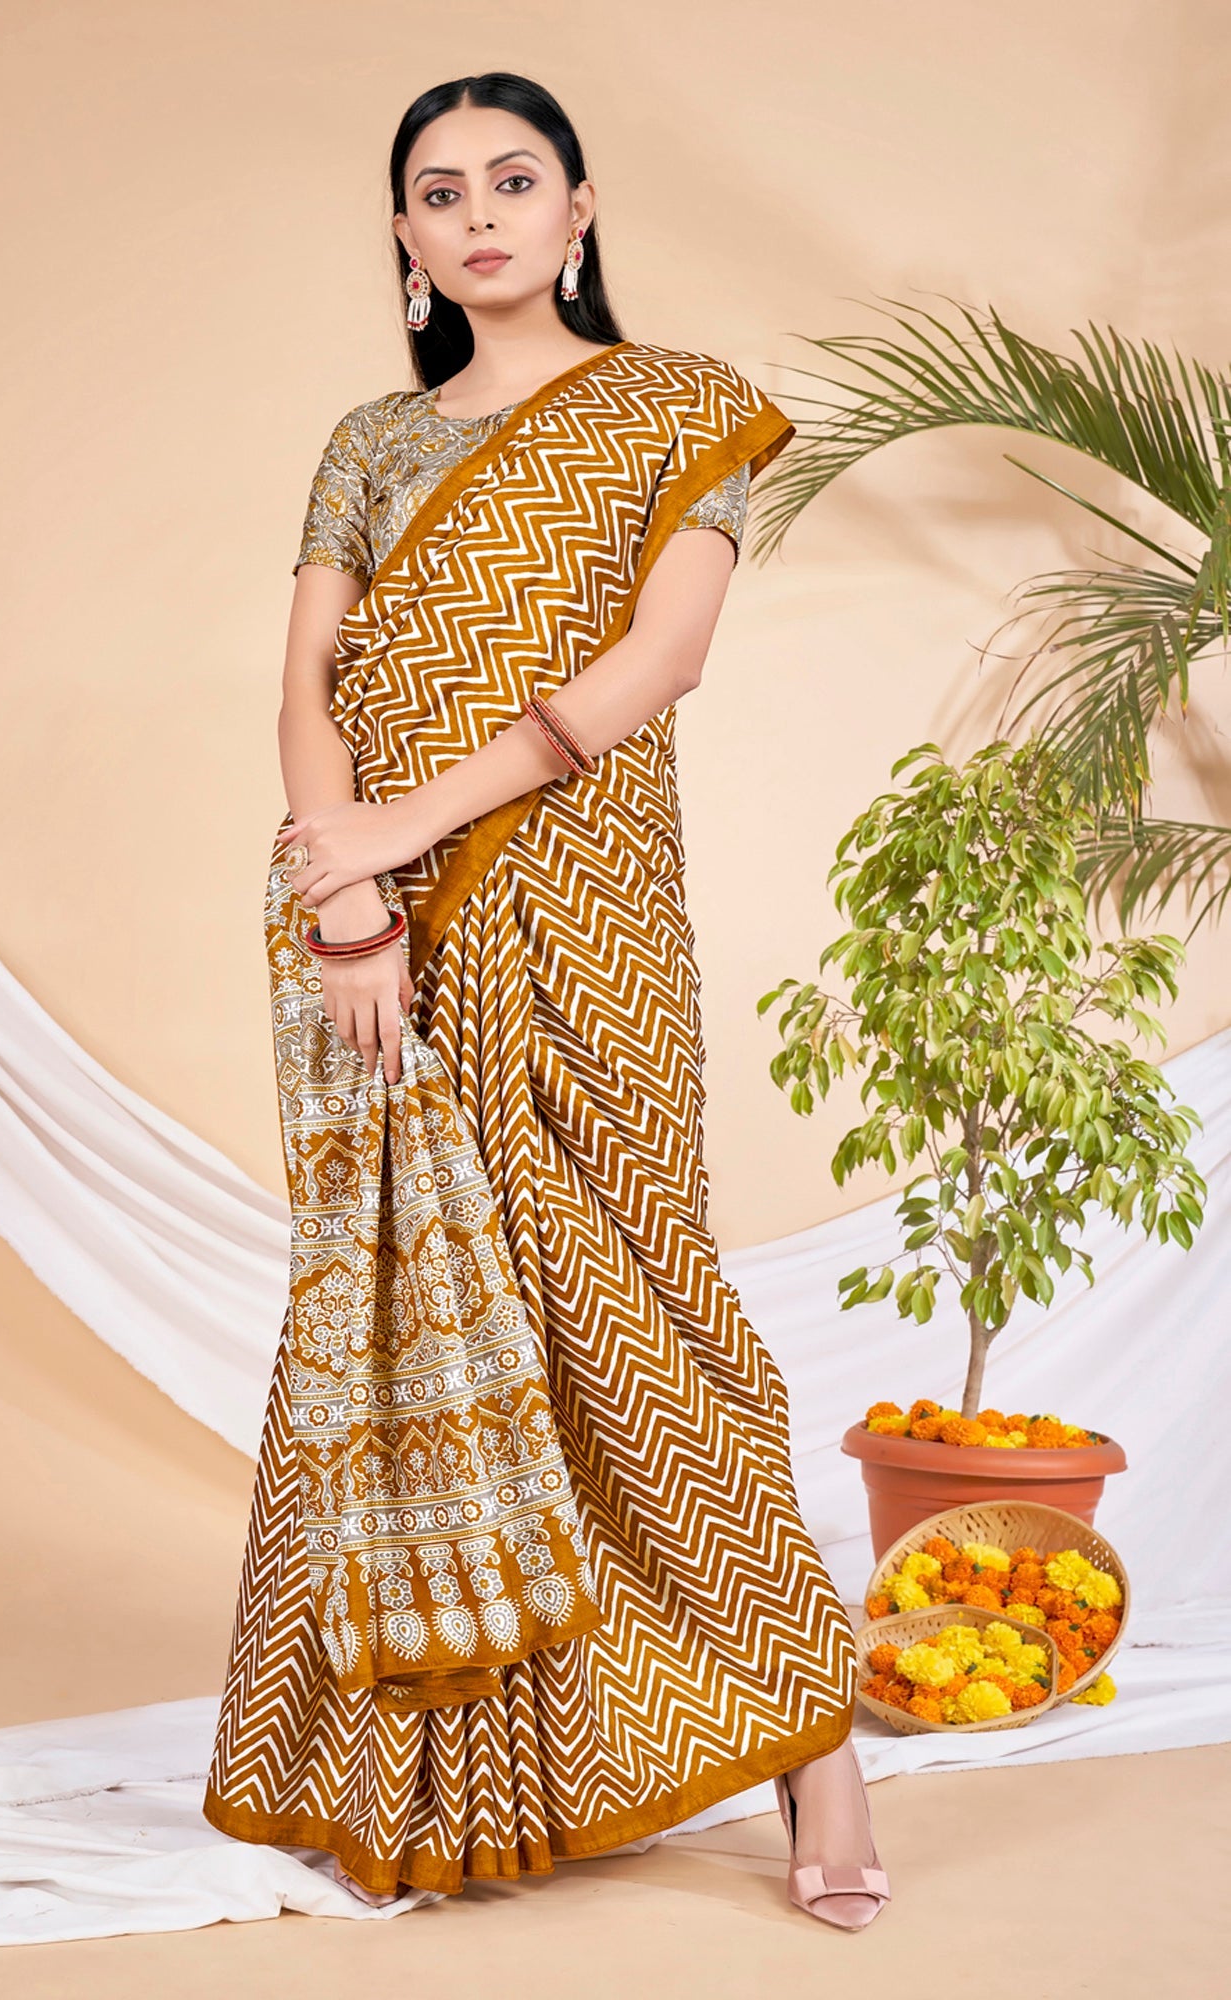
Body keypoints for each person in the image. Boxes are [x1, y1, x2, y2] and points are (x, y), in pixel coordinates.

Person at [202, 69, 891, 1933]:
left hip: (579, 903)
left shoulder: (680, 407)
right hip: (366, 921)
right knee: (416, 1330)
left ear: (579, 209)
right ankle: (471, 1762)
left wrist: (404, 829)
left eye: (515, 181)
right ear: (405, 236)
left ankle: (815, 1740)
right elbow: (308, 687)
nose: (481, 215)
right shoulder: (369, 442)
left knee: (641, 1304)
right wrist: (347, 890)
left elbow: (663, 660)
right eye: (441, 192)